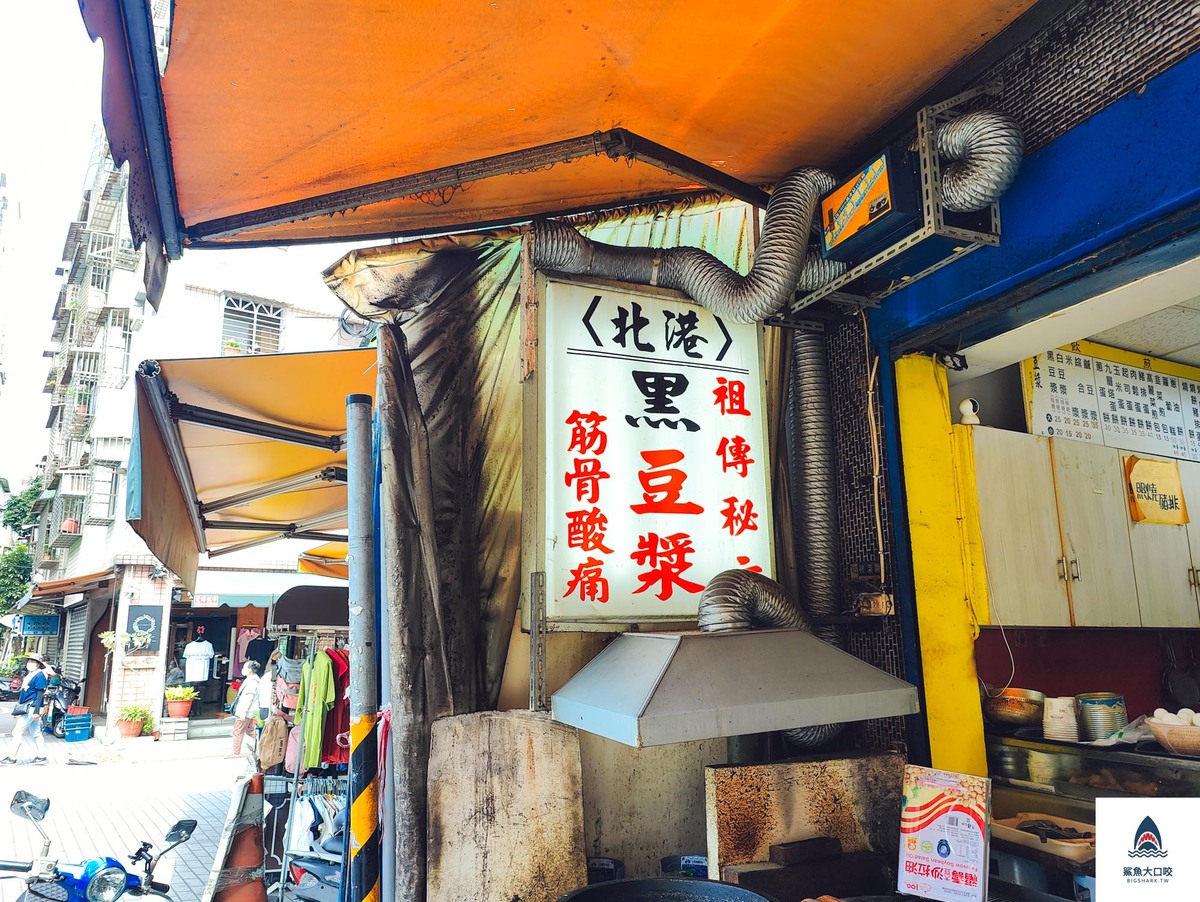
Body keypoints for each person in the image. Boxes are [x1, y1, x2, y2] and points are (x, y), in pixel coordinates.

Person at [2, 653, 50, 765]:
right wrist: (17, 710)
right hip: (29, 708)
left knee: (17, 732)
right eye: (29, 661)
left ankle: (12, 758)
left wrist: (37, 711)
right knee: (36, 732)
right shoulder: (31, 675)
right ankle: (41, 756)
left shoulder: (39, 676)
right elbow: (24, 694)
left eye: (33, 662)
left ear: (39, 664)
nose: (30, 664)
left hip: (32, 708)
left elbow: (40, 694)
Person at [229, 660, 261, 758]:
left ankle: (236, 752)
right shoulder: (253, 680)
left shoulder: (252, 682)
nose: (243, 670)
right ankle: (260, 747)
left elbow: (248, 697)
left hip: (246, 711)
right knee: (251, 731)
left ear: (250, 670)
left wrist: (242, 712)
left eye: (245, 668)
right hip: (251, 711)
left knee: (238, 731)